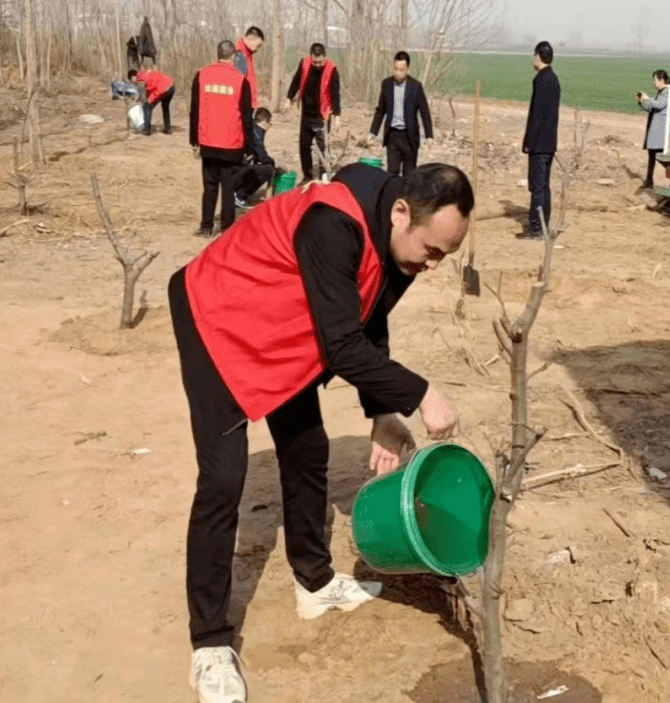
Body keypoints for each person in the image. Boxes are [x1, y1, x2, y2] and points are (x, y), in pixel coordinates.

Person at [170, 161, 470, 703]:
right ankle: (210, 644)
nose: (433, 265)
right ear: (403, 212)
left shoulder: (396, 239)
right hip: (217, 312)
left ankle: (315, 582)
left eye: (445, 257)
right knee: (222, 479)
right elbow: (341, 346)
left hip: (281, 325)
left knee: (308, 448)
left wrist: (382, 414)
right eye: (432, 251)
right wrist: (421, 395)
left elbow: (368, 320)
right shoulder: (334, 224)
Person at [190, 40, 254, 237]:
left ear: (217, 54)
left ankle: (207, 226)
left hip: (208, 141)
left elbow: (194, 111)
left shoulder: (201, 76)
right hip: (232, 144)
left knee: (209, 187)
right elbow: (246, 117)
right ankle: (227, 229)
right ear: (233, 56)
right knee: (228, 188)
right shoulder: (241, 80)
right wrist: (249, 147)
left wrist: (194, 141)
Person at [368, 51, 434, 176]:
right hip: (392, 136)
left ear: (407, 69)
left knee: (409, 176)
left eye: (401, 70)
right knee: (392, 173)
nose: (398, 73)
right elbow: (380, 110)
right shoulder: (386, 84)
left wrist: (429, 136)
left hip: (410, 137)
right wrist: (373, 133)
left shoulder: (416, 86)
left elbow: (424, 111)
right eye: (396, 69)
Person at [520, 41, 560, 240]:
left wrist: (529, 142)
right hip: (550, 142)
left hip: (539, 144)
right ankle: (545, 224)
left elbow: (537, 115)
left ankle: (535, 228)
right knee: (544, 186)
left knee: (536, 187)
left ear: (538, 57)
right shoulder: (554, 79)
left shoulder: (541, 80)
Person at [286, 43, 341, 182]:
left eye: (320, 62)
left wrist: (337, 117)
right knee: (304, 146)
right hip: (306, 114)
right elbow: (296, 81)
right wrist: (288, 98)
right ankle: (308, 176)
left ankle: (324, 175)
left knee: (323, 148)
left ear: (325, 57)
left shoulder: (332, 70)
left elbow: (336, 95)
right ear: (310, 57)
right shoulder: (304, 63)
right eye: (314, 61)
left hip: (322, 116)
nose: (317, 64)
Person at [232, 107, 279, 209]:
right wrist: (273, 163)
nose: (269, 126)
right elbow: (262, 155)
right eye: (269, 123)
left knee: (262, 166)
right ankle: (239, 196)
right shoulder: (256, 132)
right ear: (264, 122)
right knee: (268, 169)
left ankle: (239, 193)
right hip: (237, 171)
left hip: (234, 169)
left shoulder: (252, 128)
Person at [636, 69, 670, 189]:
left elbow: (658, 105)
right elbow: (651, 107)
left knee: (662, 158)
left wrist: (647, 98)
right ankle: (649, 180)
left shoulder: (667, 93)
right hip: (655, 131)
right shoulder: (661, 93)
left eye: (654, 80)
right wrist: (642, 102)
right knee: (652, 156)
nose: (653, 82)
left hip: (660, 132)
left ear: (661, 81)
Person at [128, 67, 175, 135]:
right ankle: (168, 129)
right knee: (165, 107)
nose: (133, 82)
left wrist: (150, 99)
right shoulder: (145, 73)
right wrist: (148, 98)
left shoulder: (142, 76)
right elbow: (151, 88)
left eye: (132, 80)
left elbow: (155, 89)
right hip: (171, 86)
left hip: (164, 89)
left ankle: (146, 130)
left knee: (147, 106)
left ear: (133, 77)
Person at [233, 26, 265, 111]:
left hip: (248, 103)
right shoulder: (240, 55)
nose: (258, 49)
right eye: (258, 45)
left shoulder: (248, 54)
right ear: (251, 40)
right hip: (243, 105)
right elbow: (239, 85)